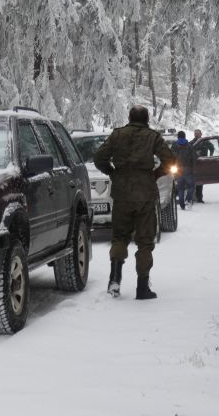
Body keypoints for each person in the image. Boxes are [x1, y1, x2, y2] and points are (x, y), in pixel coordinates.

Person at [93, 105, 175, 300]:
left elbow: (99, 158)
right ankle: (142, 287)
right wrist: (156, 174)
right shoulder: (153, 137)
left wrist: (113, 172)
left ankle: (114, 280)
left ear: (129, 118)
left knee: (120, 237)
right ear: (146, 119)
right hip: (145, 194)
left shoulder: (117, 135)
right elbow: (170, 160)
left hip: (122, 193)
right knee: (145, 241)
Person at [171, 131, 197, 210]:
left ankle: (182, 205)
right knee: (191, 186)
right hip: (188, 169)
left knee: (180, 187)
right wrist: (193, 167)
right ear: (185, 136)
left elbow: (171, 157)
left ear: (178, 137)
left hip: (178, 170)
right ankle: (188, 200)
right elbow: (194, 157)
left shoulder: (174, 145)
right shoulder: (189, 145)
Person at [191, 129, 214, 203]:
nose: (196, 134)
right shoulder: (192, 142)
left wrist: (210, 157)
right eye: (195, 133)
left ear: (201, 134)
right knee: (193, 181)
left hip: (202, 163)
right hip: (194, 164)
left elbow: (212, 148)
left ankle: (199, 198)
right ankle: (193, 197)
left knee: (200, 181)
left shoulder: (205, 141)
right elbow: (188, 150)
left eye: (198, 133)